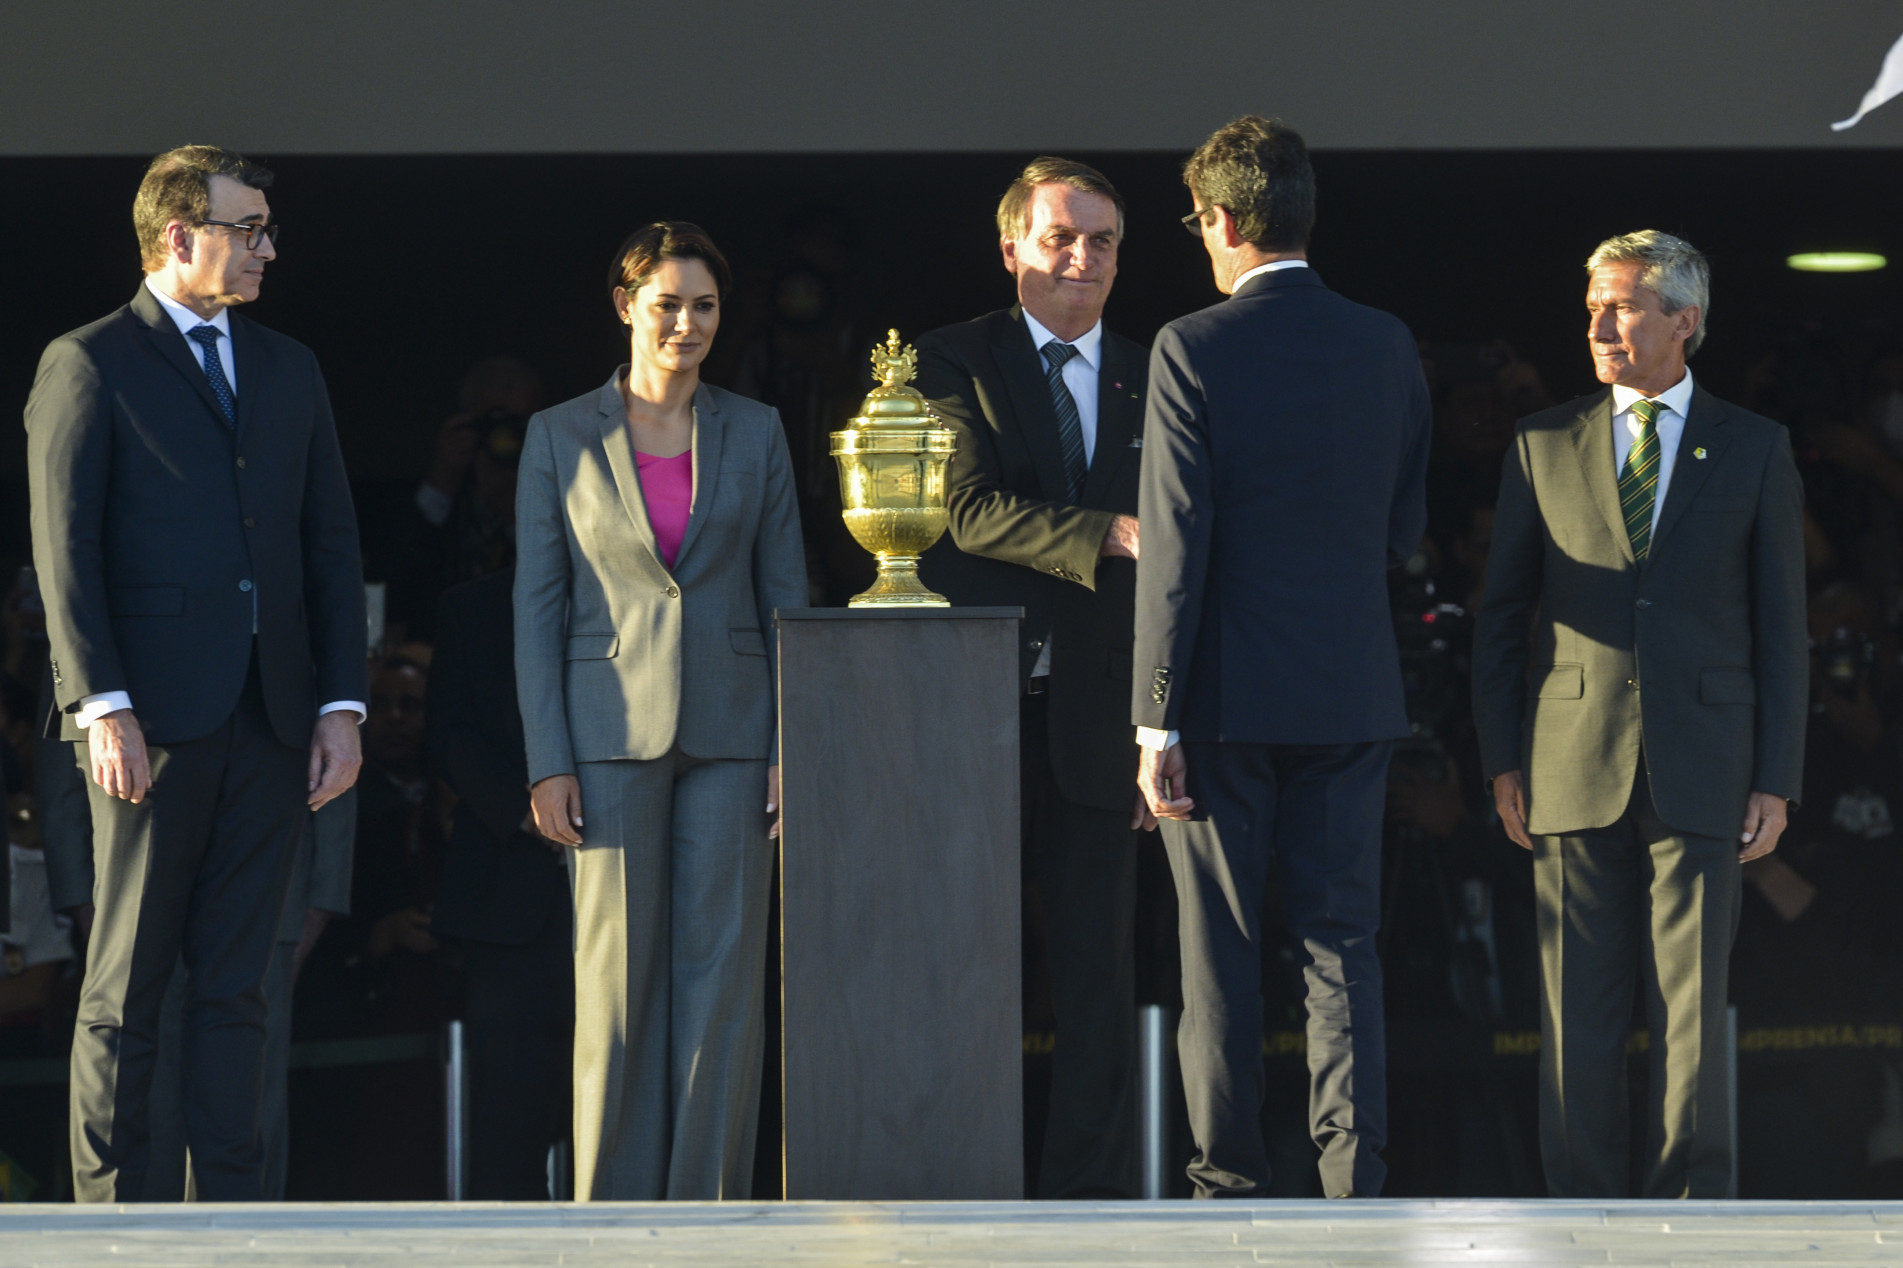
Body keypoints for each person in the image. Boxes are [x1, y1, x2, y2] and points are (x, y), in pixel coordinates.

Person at [25, 145, 366, 1202]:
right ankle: (107, 1219)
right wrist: (101, 702)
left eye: (267, 227)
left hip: (271, 717)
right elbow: (62, 546)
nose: (270, 246)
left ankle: (233, 1217)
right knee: (126, 982)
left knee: (238, 984)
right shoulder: (88, 361)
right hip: (149, 721)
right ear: (181, 237)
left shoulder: (288, 366)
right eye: (249, 227)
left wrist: (342, 702)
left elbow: (329, 544)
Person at [1470, 230, 1807, 1198]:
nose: (1599, 324)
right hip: (1567, 758)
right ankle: (1579, 1211)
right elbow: (1500, 618)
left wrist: (1776, 775)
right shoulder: (1542, 442)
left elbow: (1784, 628)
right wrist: (1501, 757)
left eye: (1620, 305)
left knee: (1692, 1012)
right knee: (1577, 1011)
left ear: (1683, 320)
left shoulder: (1753, 445)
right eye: (1591, 306)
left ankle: (1690, 1220)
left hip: (1706, 759)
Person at [1133, 116, 1432, 1199]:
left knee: (1217, 954)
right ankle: (1353, 1178)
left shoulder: (1191, 345)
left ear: (1217, 219)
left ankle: (1228, 1183)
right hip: (1351, 684)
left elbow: (1174, 545)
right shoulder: (1385, 341)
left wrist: (1152, 717)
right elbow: (1404, 529)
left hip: (1217, 697)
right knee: (1339, 943)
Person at [514, 222, 806, 1200]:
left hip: (733, 733)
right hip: (604, 737)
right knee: (616, 987)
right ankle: (611, 1216)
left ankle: (707, 1212)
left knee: (722, 984)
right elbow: (537, 608)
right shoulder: (559, 433)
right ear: (625, 304)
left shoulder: (757, 430)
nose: (686, 323)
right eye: (667, 303)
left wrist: (787, 745)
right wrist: (546, 759)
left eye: (706, 305)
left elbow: (786, 600)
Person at [913, 156, 1147, 1199]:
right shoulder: (945, 361)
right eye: (1059, 235)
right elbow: (962, 510)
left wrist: (1164, 723)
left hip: (1106, 717)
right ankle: (963, 1182)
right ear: (1011, 246)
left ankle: (1087, 1198)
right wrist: (1111, 532)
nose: (1080, 256)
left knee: (1099, 973)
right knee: (966, 964)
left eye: (1100, 240)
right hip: (979, 714)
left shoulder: (1161, 368)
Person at [429, 565, 574, 1200]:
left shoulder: (657, 592)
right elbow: (449, 732)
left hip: (636, 884)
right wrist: (523, 811)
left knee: (631, 1118)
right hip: (513, 897)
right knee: (509, 1130)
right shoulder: (475, 604)